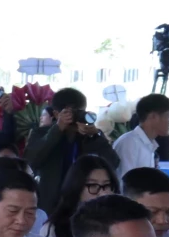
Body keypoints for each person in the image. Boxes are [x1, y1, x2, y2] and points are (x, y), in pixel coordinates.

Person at [26, 86, 118, 216]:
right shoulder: (41, 133)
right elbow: (32, 161)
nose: (74, 117)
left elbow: (113, 163)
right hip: (51, 205)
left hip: (85, 204)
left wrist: (96, 136)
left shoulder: (90, 136)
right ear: (56, 114)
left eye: (79, 112)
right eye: (69, 113)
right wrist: (57, 129)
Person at [49, 157, 118, 237]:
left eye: (107, 185)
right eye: (93, 185)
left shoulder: (121, 225)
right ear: (76, 187)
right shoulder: (54, 229)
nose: (102, 193)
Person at [112, 94, 169, 178]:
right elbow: (125, 185)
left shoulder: (148, 145)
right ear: (153, 116)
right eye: (168, 117)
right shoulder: (129, 143)